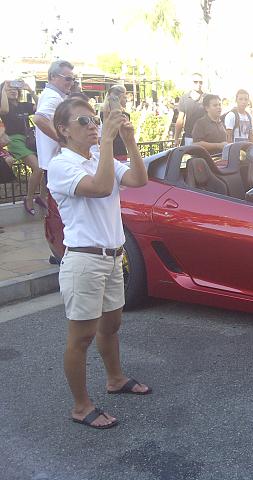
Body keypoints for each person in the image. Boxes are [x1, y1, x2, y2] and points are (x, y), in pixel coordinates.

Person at [47, 97, 150, 430]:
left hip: (112, 257)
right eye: (83, 122)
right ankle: (81, 406)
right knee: (81, 338)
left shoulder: (96, 157)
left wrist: (129, 140)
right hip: (84, 261)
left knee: (111, 327)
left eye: (94, 120)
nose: (92, 125)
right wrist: (107, 139)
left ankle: (115, 378)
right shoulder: (62, 165)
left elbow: (138, 179)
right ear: (62, 130)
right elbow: (104, 187)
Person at [33, 59, 75, 208]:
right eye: (68, 78)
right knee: (60, 209)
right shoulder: (53, 97)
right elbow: (39, 119)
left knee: (55, 208)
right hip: (56, 162)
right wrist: (62, 140)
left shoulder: (50, 94)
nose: (71, 82)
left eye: (73, 79)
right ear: (52, 77)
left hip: (52, 161)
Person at [0, 80, 42, 214]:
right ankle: (29, 199)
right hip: (14, 140)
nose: (13, 91)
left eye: (15, 89)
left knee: (45, 167)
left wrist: (30, 89)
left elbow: (41, 106)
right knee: (37, 167)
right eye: (9, 89)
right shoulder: (4, 106)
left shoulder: (23, 105)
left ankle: (42, 197)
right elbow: (4, 110)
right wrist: (3, 89)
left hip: (29, 139)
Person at [174, 73, 206, 147]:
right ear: (191, 83)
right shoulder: (184, 98)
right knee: (188, 158)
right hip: (189, 136)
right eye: (195, 82)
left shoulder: (207, 98)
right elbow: (180, 119)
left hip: (204, 138)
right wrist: (176, 138)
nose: (198, 84)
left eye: (200, 82)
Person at [100, 85, 130, 161]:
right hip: (117, 150)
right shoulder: (124, 116)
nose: (126, 100)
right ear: (118, 98)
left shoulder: (102, 114)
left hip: (113, 149)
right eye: (124, 97)